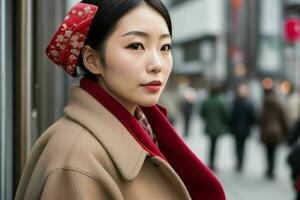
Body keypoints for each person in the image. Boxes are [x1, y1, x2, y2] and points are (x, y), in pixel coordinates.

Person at [15, 1, 226, 199]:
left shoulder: (143, 126)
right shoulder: (75, 162)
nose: (157, 64)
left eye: (165, 47)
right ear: (92, 60)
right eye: (136, 46)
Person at [259, 88, 288, 179]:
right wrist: (285, 131)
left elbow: (261, 118)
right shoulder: (278, 104)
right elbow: (283, 118)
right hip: (276, 131)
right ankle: (272, 170)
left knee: (268, 151)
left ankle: (268, 169)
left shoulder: (265, 104)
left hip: (266, 131)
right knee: (274, 152)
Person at [200, 81, 229, 171]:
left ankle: (210, 162)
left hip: (209, 126)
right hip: (218, 127)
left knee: (211, 145)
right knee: (215, 145)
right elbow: (226, 114)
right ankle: (213, 163)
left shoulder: (207, 100)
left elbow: (202, 113)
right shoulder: (221, 101)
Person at [230, 83, 255, 172]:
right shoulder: (245, 103)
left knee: (240, 146)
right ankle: (239, 162)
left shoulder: (237, 102)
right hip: (240, 128)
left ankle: (239, 162)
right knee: (239, 146)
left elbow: (252, 117)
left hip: (241, 128)